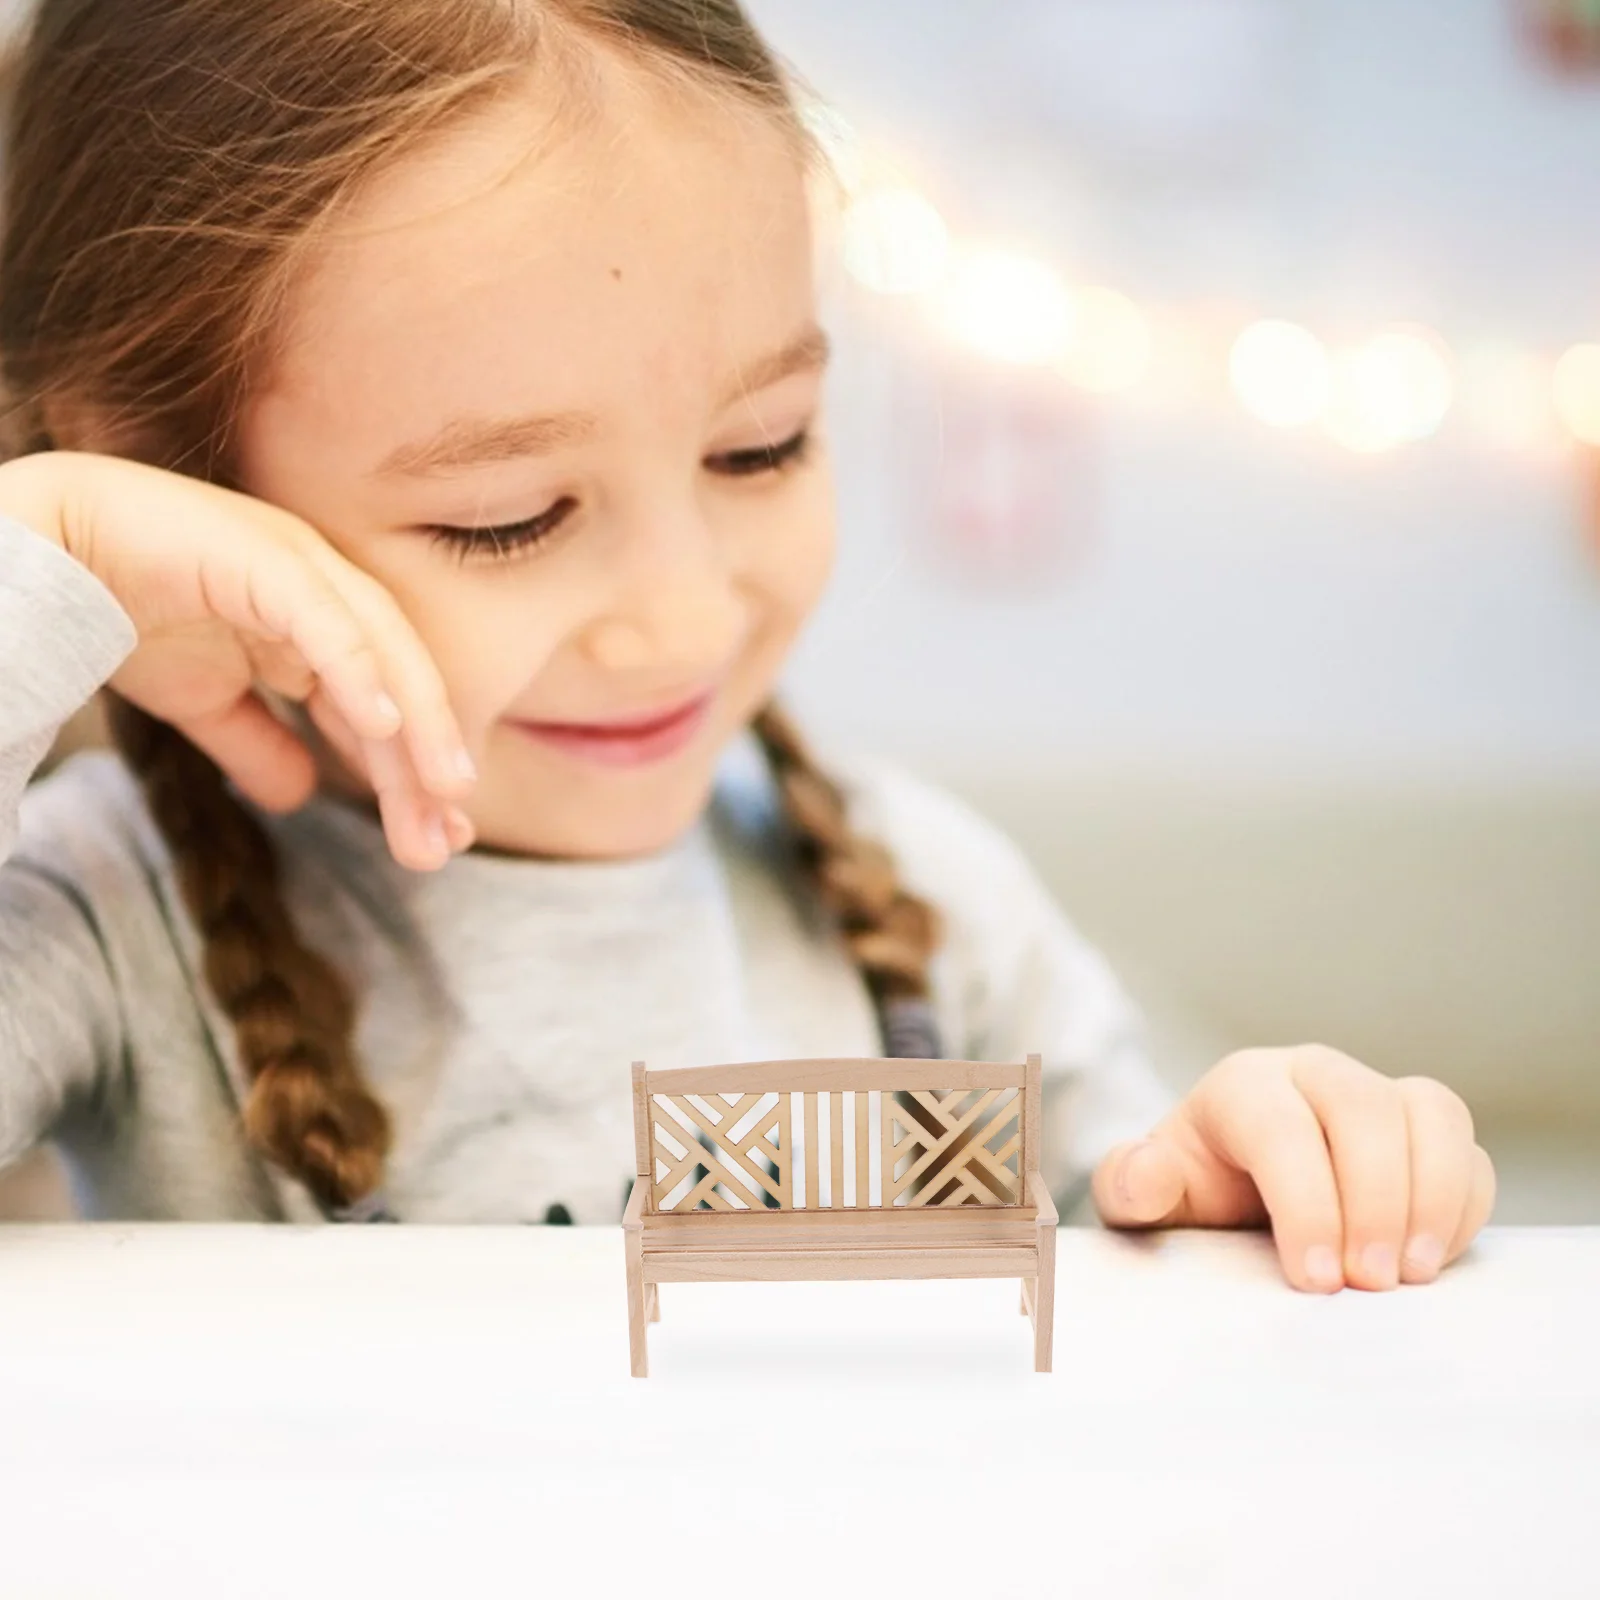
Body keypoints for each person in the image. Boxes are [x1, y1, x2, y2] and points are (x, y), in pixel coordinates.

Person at [0, 0, 1493, 1292]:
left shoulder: (915, 900)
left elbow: (1143, 1259)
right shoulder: (106, 922)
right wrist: (52, 561)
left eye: (762, 449)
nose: (686, 619)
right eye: (508, 520)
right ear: (165, 483)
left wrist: (1269, 1171)